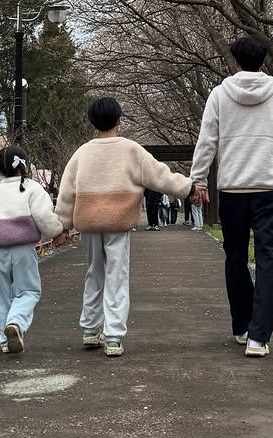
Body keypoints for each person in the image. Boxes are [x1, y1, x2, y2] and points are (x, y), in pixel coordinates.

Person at [191, 35, 273, 358]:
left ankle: (242, 325)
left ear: (235, 62)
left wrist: (198, 179)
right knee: (269, 260)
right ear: (263, 61)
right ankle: (259, 336)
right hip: (270, 190)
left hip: (233, 190)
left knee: (235, 258)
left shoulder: (219, 96)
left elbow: (207, 141)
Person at [57, 96, 193, 357]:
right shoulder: (131, 150)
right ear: (119, 120)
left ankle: (89, 329)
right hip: (118, 222)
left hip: (89, 222)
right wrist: (189, 189)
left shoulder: (82, 153)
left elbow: (66, 193)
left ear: (92, 123)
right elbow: (161, 176)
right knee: (116, 276)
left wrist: (61, 227)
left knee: (94, 273)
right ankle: (113, 335)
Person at [0, 145, 65, 356]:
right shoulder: (31, 188)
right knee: (28, 290)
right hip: (23, 249)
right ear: (23, 166)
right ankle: (16, 322)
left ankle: (5, 341)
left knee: (1, 294)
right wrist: (57, 233)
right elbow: (44, 216)